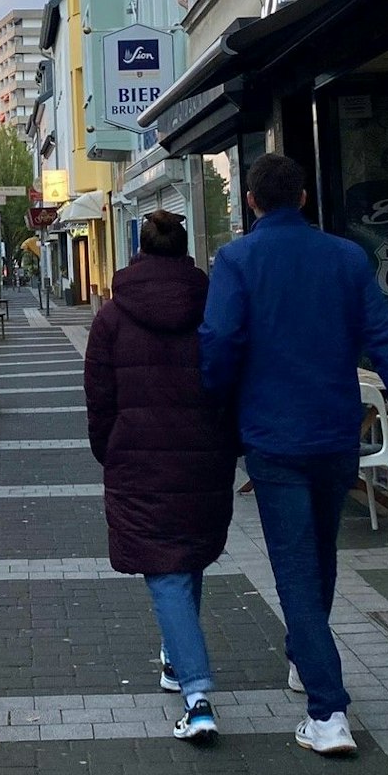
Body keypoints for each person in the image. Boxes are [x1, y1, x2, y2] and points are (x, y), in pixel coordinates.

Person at [199, 153, 388, 756]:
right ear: (304, 197)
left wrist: (212, 407)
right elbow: (385, 339)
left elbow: (221, 345)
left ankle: (328, 710)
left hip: (273, 437)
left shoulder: (236, 260)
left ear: (250, 202)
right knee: (319, 555)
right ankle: (305, 663)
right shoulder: (346, 257)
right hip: (336, 435)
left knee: (295, 565)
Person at [84, 210, 240, 744]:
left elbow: (99, 398)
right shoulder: (212, 306)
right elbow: (230, 377)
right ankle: (176, 662)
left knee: (167, 570)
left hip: (139, 460)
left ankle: (197, 699)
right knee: (187, 556)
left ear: (140, 250)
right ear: (184, 249)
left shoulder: (110, 318)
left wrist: (109, 450)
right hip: (204, 455)